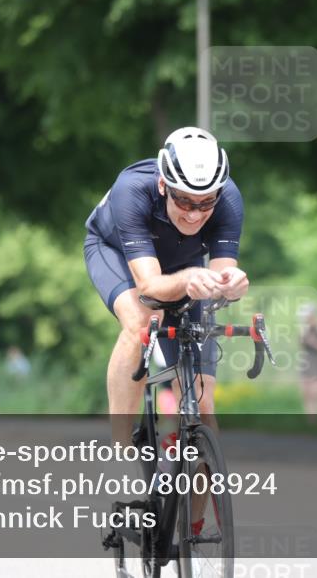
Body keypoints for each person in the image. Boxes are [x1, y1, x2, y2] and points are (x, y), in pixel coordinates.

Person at [84, 127, 248, 538]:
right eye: (184, 201)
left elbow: (219, 276)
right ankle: (121, 448)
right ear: (163, 185)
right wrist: (191, 278)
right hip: (118, 255)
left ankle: (192, 529)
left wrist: (231, 283)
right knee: (142, 321)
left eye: (205, 202)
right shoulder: (132, 191)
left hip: (184, 266)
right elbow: (151, 288)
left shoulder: (229, 198)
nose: (194, 213)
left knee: (204, 407)